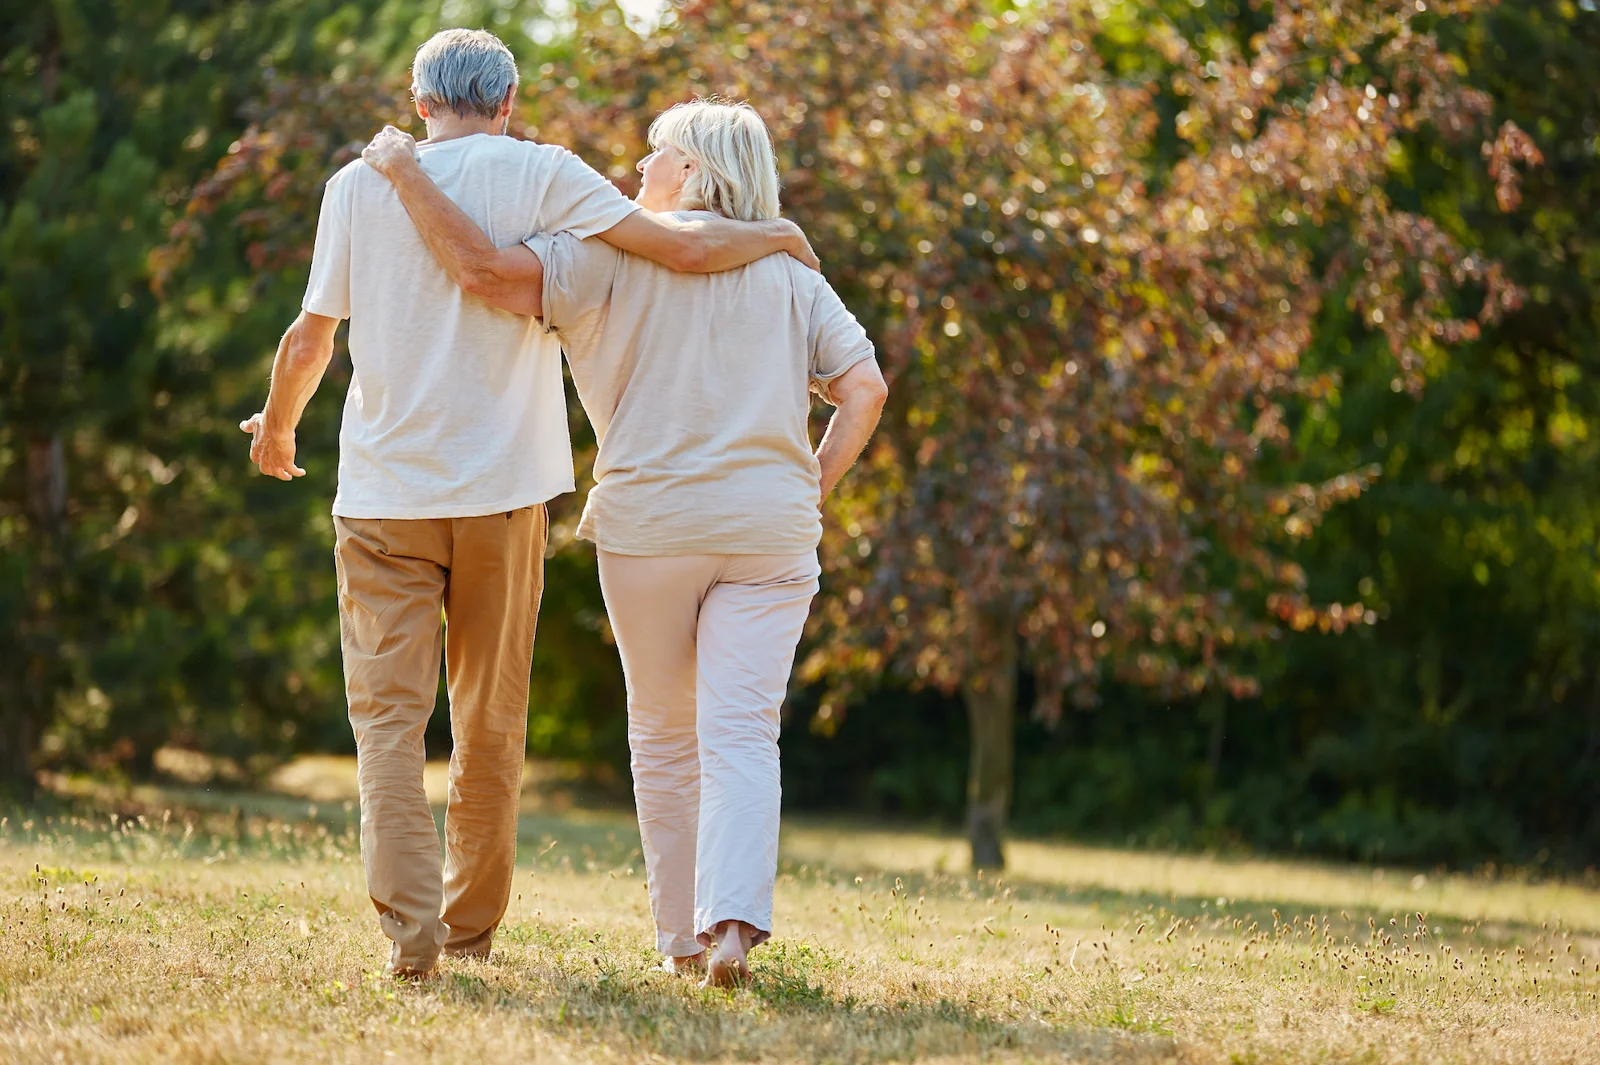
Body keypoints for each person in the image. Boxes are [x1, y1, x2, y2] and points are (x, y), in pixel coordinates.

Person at [240, 30, 819, 980]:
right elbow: (674, 243)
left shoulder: (356, 184)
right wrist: (779, 236)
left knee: (387, 723)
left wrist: (276, 425)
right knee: (490, 719)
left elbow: (313, 333)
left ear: (419, 100)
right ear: (508, 101)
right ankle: (468, 929)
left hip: (384, 494)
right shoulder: (547, 173)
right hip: (504, 494)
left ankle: (409, 935)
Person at [361, 99, 887, 987]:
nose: (637, 169)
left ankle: (680, 941)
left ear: (690, 170)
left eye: (655, 154)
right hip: (771, 527)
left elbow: (489, 278)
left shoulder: (599, 254)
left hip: (652, 526)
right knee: (745, 733)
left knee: (665, 734)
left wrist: (407, 177)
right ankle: (732, 928)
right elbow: (864, 388)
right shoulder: (791, 268)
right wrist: (811, 483)